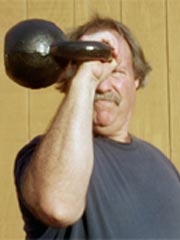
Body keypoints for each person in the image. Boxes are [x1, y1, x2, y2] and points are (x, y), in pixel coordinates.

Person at [14, 16, 180, 239]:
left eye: (116, 71)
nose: (102, 85)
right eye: (90, 71)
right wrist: (86, 77)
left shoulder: (164, 167)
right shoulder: (43, 159)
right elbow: (58, 207)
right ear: (70, 80)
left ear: (136, 79)